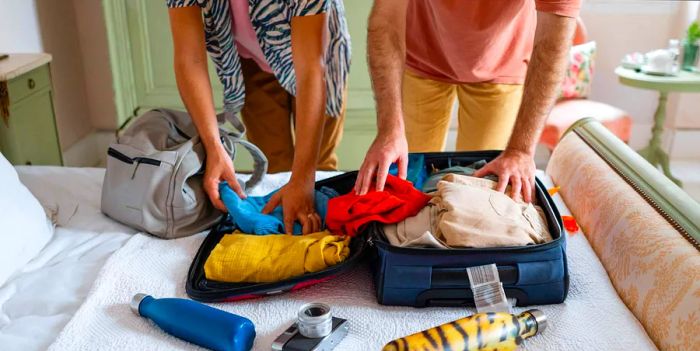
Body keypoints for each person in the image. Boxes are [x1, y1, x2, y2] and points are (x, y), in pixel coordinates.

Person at [356, 0, 580, 203]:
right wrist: (389, 130)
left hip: (502, 62)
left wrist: (521, 150)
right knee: (406, 183)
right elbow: (385, 22)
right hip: (421, 53)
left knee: (482, 193)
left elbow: (553, 43)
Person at [167, 0, 350, 234]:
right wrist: (214, 148)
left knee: (318, 170)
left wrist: (304, 180)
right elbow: (189, 58)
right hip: (252, 61)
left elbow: (311, 70)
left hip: (320, 59)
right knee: (276, 167)